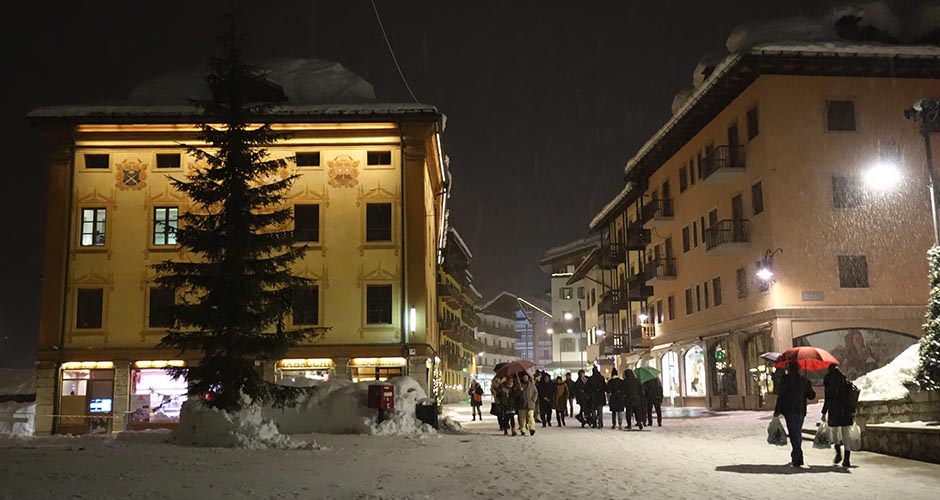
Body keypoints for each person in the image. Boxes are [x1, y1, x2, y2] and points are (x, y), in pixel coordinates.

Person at [774, 360, 817, 467]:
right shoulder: (804, 381)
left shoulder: (785, 381)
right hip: (800, 410)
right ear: (799, 369)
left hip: (789, 411)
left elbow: (781, 396)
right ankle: (797, 455)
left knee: (794, 433)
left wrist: (777, 410)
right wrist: (808, 386)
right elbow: (812, 396)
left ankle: (797, 455)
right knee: (797, 432)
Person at [822, 363, 856, 467]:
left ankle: (838, 453)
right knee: (846, 434)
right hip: (845, 410)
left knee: (835, 432)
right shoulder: (844, 378)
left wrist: (824, 412)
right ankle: (847, 459)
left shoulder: (828, 379)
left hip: (834, 410)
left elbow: (827, 397)